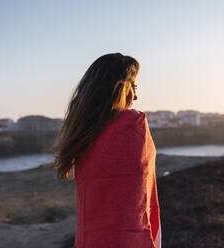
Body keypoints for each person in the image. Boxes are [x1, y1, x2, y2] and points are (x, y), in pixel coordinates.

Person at [49, 53, 161, 248]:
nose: (135, 96)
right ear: (118, 88)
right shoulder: (133, 124)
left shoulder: (83, 131)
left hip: (89, 241)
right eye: (132, 87)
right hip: (128, 241)